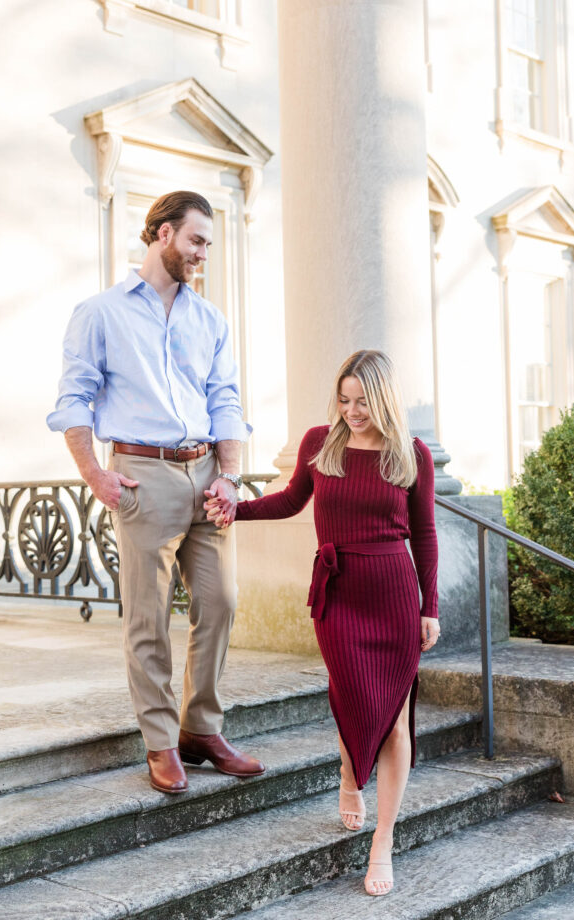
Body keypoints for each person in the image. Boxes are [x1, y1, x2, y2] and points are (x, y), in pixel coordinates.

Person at [47, 190, 264, 794]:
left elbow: (225, 399)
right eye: (196, 240)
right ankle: (161, 742)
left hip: (207, 476)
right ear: (163, 234)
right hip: (143, 475)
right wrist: (95, 473)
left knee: (220, 602)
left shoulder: (209, 318)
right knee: (148, 618)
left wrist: (230, 472)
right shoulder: (101, 312)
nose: (203, 254)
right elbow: (74, 400)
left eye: (208, 244)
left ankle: (202, 728)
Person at [206, 349, 440, 897]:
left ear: (383, 398)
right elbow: (290, 501)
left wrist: (430, 606)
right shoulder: (320, 443)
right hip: (339, 592)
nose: (352, 410)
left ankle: (382, 839)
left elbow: (425, 535)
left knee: (396, 720)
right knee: (350, 694)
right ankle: (347, 775)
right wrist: (237, 508)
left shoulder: (411, 454)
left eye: (362, 401)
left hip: (393, 594)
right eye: (344, 399)